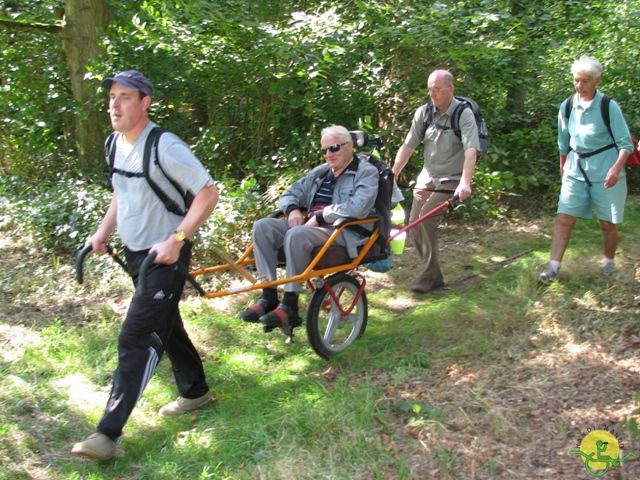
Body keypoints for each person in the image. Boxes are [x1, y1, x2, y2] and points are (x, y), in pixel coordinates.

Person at [71, 70, 220, 461]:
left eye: (124, 97)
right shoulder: (115, 144)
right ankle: (195, 391)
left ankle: (107, 434)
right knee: (165, 322)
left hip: (166, 252)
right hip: (137, 252)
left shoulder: (164, 146)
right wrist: (103, 233)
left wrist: (177, 239)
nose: (114, 105)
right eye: (112, 98)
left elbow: (208, 191)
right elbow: (122, 194)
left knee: (137, 334)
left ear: (144, 102)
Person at [239, 125, 379, 331]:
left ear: (350, 146)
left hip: (344, 231)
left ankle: (290, 304)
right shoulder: (320, 173)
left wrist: (322, 216)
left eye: (334, 148)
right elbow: (288, 194)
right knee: (263, 226)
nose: (328, 155)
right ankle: (268, 297)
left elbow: (359, 207)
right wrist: (293, 209)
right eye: (325, 150)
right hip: (312, 230)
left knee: (297, 233)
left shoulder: (366, 172)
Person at [538, 56, 632, 283]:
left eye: (585, 81)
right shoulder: (568, 106)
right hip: (575, 169)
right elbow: (563, 143)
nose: (579, 86)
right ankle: (552, 268)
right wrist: (563, 169)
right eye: (576, 81)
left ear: (597, 81)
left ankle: (609, 263)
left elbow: (626, 144)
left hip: (606, 169)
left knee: (607, 223)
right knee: (563, 218)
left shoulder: (608, 106)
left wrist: (615, 170)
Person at [392, 69, 479, 293]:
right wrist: (393, 173)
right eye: (430, 89)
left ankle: (428, 277)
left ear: (451, 89)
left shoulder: (464, 114)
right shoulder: (424, 112)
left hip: (452, 179)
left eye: (437, 89)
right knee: (413, 227)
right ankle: (434, 274)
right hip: (427, 178)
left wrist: (465, 182)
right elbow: (409, 145)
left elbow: (471, 150)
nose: (433, 94)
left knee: (425, 221)